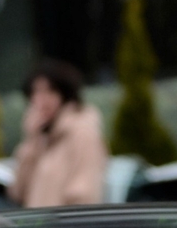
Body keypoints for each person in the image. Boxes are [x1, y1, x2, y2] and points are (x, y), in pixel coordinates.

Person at [9, 59, 107, 208]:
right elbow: (18, 193)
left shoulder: (82, 133)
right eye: (35, 92)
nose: (40, 100)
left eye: (49, 91)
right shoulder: (42, 139)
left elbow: (83, 194)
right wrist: (31, 140)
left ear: (64, 94)